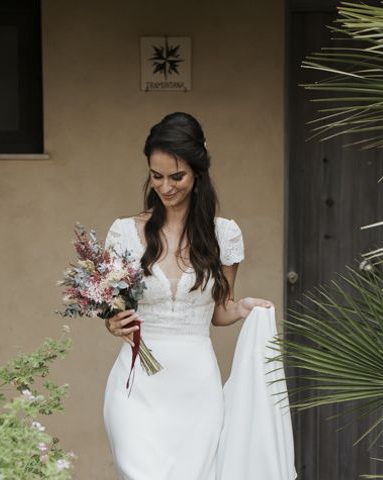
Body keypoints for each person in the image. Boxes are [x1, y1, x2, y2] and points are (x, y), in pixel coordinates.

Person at [102, 112, 274, 480]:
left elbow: (219, 311)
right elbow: (114, 310)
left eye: (176, 176)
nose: (166, 187)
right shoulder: (124, 233)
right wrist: (113, 323)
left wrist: (242, 308)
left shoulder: (223, 235)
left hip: (197, 386)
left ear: (198, 172)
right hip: (137, 386)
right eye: (156, 175)